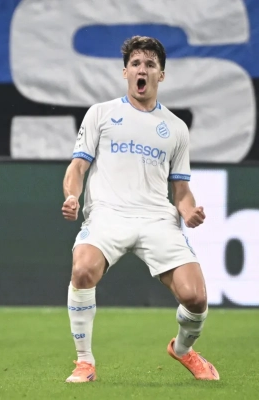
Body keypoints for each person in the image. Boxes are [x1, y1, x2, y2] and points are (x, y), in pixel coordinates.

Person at [60, 36, 219, 383]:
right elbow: (77, 168)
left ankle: (182, 350)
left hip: (156, 218)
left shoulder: (176, 128)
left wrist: (189, 211)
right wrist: (72, 196)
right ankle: (85, 362)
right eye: (135, 64)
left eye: (149, 64)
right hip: (108, 214)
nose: (141, 69)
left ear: (161, 74)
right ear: (125, 72)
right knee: (82, 269)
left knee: (195, 297)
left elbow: (181, 191)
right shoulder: (101, 114)